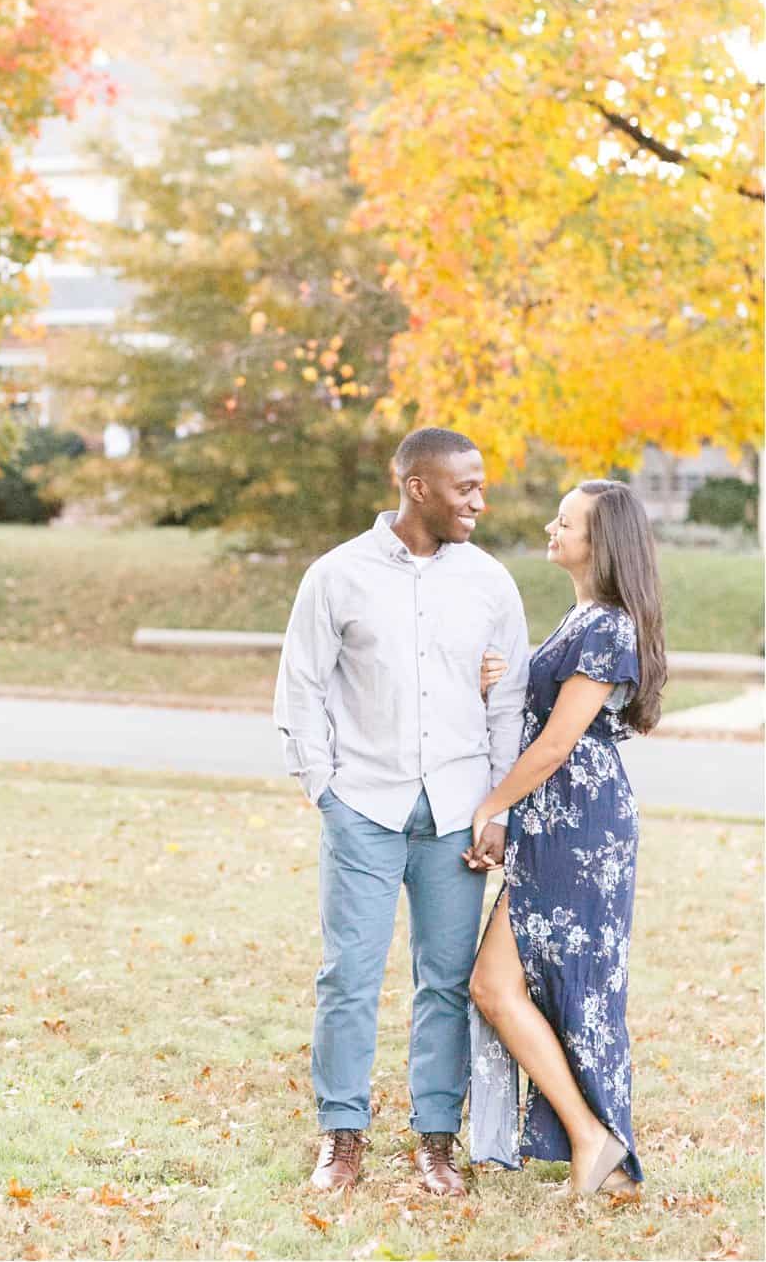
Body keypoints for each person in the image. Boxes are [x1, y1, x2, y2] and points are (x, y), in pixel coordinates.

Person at [273, 427, 530, 1195]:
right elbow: (301, 687)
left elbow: (508, 701)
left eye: (481, 486)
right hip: (365, 806)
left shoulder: (490, 582)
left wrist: (497, 807)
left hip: (457, 812)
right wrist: (325, 788)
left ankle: (435, 1142)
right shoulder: (336, 576)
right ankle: (341, 1136)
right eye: (465, 488)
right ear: (417, 486)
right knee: (348, 975)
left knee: (446, 981)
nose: (479, 501)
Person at [467, 479, 666, 1196]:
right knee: (500, 983)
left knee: (523, 984)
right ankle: (593, 1142)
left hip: (581, 824)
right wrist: (508, 675)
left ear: (601, 542)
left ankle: (595, 1140)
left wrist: (489, 807)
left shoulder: (610, 625)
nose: (553, 527)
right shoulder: (582, 615)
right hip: (555, 818)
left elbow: (556, 743)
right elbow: (540, 701)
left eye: (567, 521)